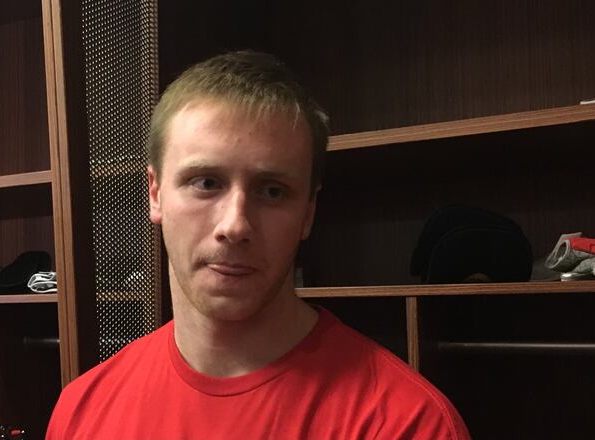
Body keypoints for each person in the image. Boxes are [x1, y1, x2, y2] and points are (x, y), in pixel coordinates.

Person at [46, 50, 471, 439]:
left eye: (272, 191)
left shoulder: (405, 424)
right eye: (206, 183)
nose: (235, 225)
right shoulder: (81, 410)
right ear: (155, 194)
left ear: (308, 211)